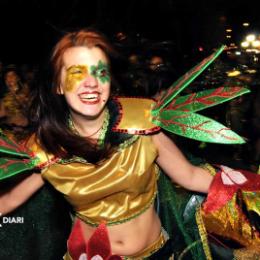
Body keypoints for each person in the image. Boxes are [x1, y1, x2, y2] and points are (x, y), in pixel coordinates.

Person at [0, 28, 259, 260]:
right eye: (76, 73)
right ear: (57, 84)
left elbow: (190, 176)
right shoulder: (43, 149)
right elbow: (10, 201)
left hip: (158, 253)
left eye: (100, 72)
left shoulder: (142, 123)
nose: (91, 82)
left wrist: (251, 190)